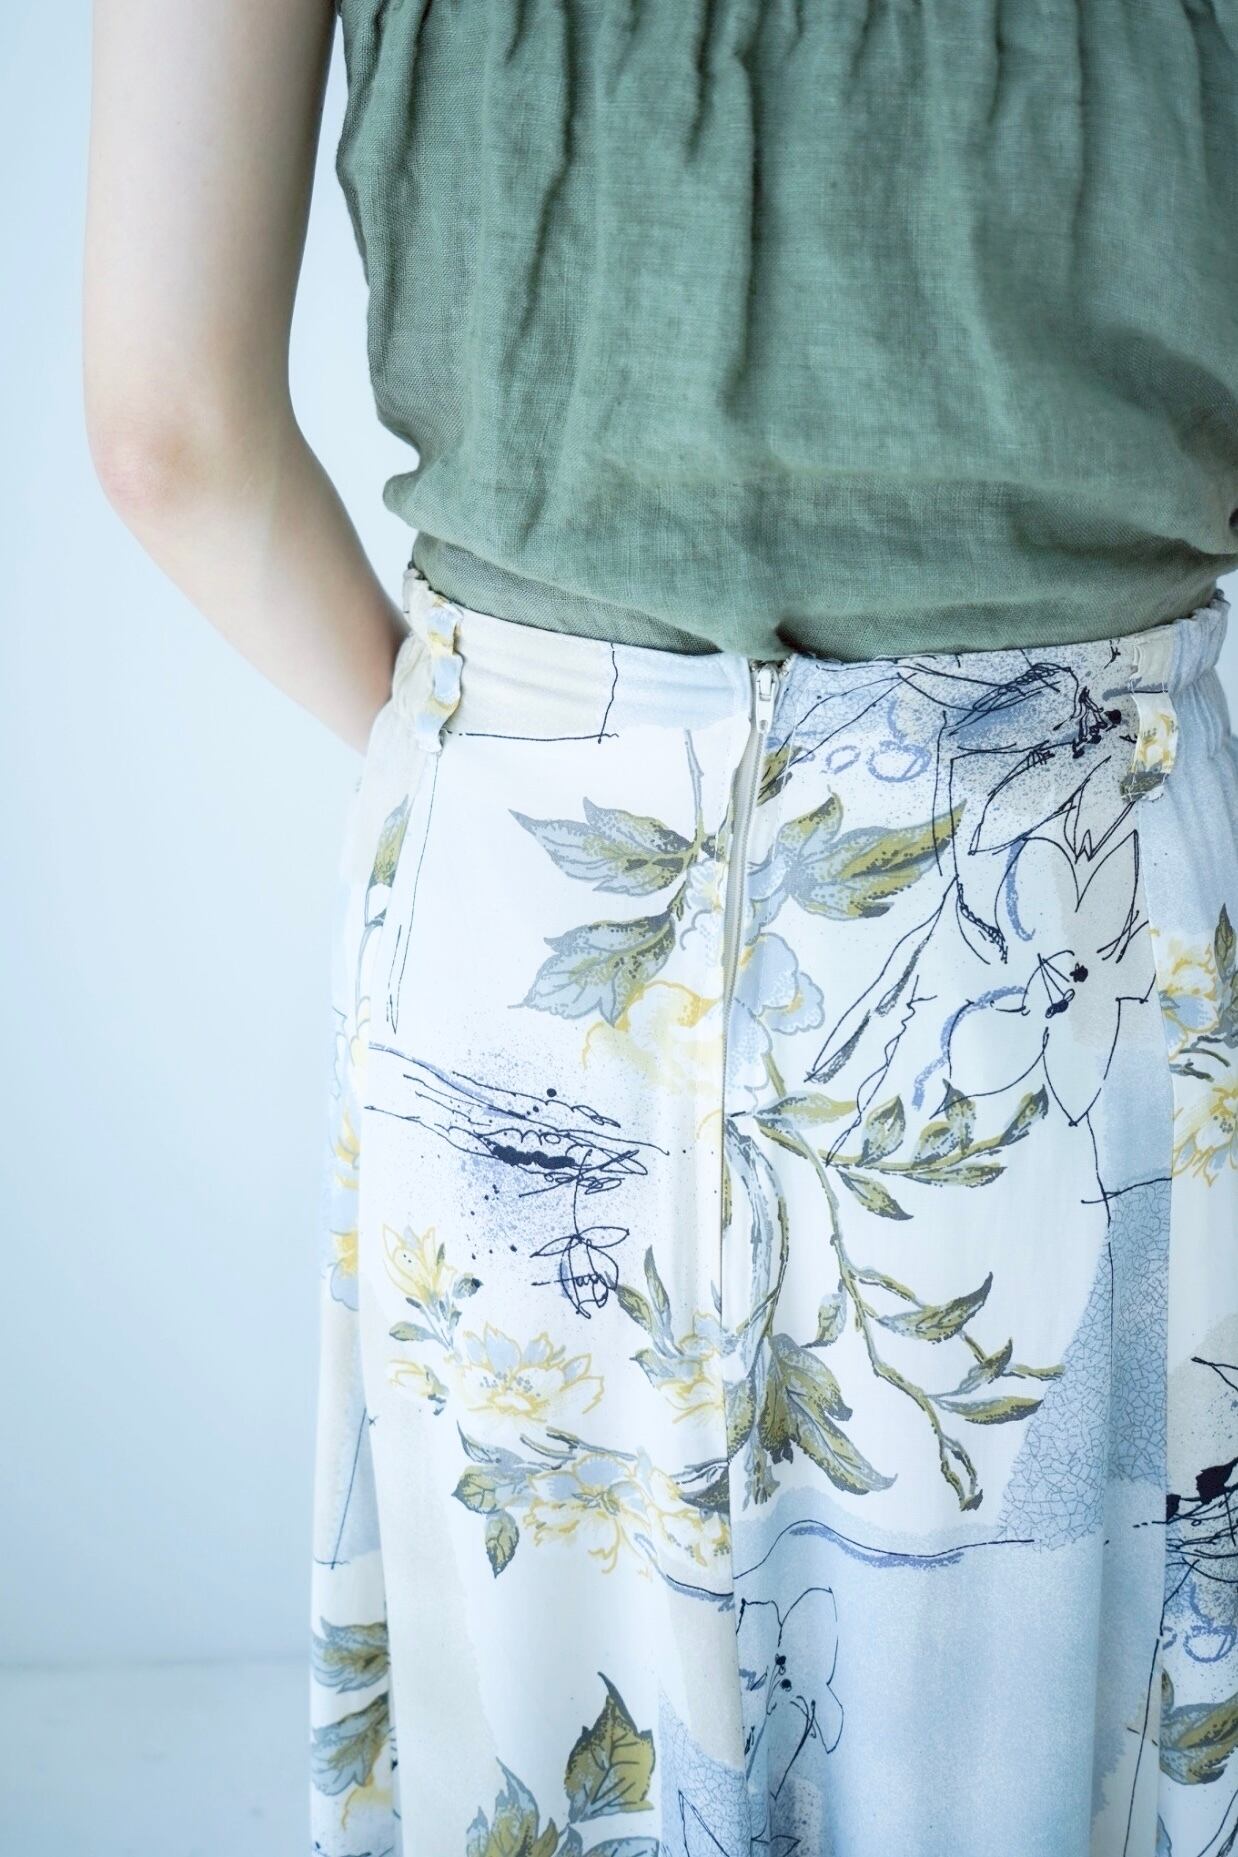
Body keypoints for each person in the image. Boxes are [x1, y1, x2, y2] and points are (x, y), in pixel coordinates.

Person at [83, 3, 1238, 1853]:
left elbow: (166, 436)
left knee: (558, 1765)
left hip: (521, 914)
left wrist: (498, 756)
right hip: (1073, 935)